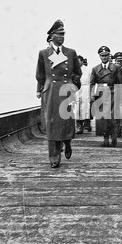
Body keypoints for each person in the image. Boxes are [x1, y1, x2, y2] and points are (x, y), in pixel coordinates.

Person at [36, 19, 82, 168]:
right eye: (59, 34)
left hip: (66, 91)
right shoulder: (43, 53)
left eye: (64, 34)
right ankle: (54, 156)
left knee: (65, 121)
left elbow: (77, 72)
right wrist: (46, 86)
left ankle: (67, 143)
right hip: (51, 92)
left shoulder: (70, 52)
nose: (62, 37)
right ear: (51, 36)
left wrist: (72, 83)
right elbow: (40, 75)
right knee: (51, 123)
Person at [90, 46, 120, 147]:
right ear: (99, 56)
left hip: (113, 93)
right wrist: (92, 96)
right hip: (101, 94)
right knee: (103, 118)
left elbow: (119, 83)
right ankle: (105, 138)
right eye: (102, 56)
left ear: (109, 55)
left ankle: (114, 136)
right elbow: (92, 83)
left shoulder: (115, 68)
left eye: (106, 55)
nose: (104, 57)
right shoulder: (95, 69)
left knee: (113, 117)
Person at [75, 56, 92, 134]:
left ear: (82, 61)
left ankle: (87, 124)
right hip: (76, 89)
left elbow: (91, 80)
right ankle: (79, 126)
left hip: (86, 88)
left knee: (86, 106)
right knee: (77, 107)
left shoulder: (88, 69)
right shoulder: (73, 69)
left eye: (79, 61)